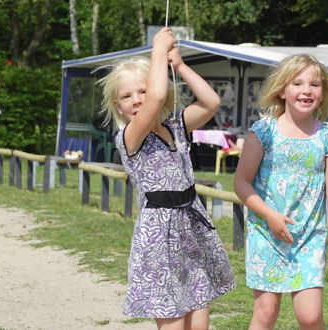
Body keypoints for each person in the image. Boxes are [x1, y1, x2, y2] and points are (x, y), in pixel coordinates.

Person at [98, 27, 235, 330]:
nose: (137, 99)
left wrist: (180, 65)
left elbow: (211, 102)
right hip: (159, 238)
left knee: (199, 322)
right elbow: (156, 98)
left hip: (191, 226)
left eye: (143, 90)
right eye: (127, 95)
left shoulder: (176, 125)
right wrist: (157, 50)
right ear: (118, 105)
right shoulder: (130, 136)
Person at [234, 54, 328, 330]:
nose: (306, 90)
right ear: (282, 89)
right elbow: (241, 183)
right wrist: (269, 215)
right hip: (266, 234)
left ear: (323, 92)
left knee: (310, 316)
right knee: (266, 313)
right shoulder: (263, 132)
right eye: (297, 83)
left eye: (314, 84)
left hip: (309, 239)